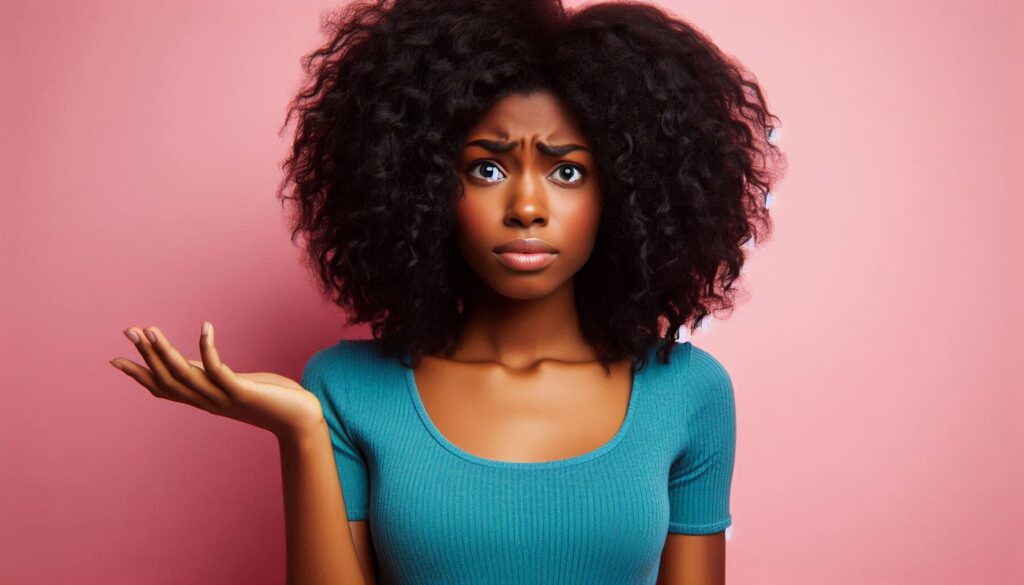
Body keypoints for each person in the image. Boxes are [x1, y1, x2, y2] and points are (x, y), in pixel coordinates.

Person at [108, 0, 786, 583]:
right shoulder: (345, 387)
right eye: (488, 168)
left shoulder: (689, 393)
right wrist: (303, 429)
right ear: (425, 185)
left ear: (627, 194)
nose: (526, 205)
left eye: (568, 172)